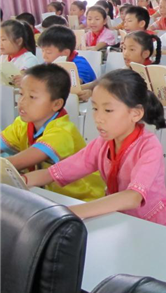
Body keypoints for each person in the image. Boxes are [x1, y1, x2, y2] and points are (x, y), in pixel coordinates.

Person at [24, 69, 166, 226]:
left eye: (108, 110)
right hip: (118, 221)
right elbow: (57, 171)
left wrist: (71, 212)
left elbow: (133, 197)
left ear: (136, 114)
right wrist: (19, 180)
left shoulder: (149, 147)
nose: (98, 118)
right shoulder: (102, 144)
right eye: (95, 109)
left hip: (151, 226)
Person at [2, 64, 104, 201]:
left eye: (32, 97)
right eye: (21, 94)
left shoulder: (62, 132)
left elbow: (17, 162)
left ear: (56, 104)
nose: (22, 101)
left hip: (81, 200)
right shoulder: (22, 123)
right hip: (46, 196)